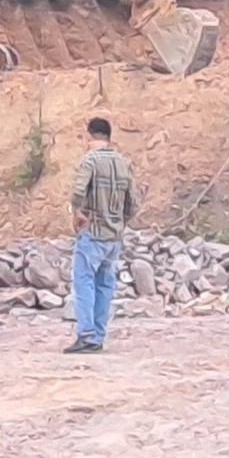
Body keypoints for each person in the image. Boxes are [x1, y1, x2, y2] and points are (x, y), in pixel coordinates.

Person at [66, 117, 140, 355]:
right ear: (108, 136)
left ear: (89, 135)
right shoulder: (123, 162)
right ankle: (98, 334)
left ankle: (86, 335)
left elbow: (78, 193)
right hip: (114, 237)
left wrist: (78, 213)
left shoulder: (89, 161)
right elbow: (134, 203)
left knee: (84, 282)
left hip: (93, 232)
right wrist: (120, 222)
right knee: (105, 285)